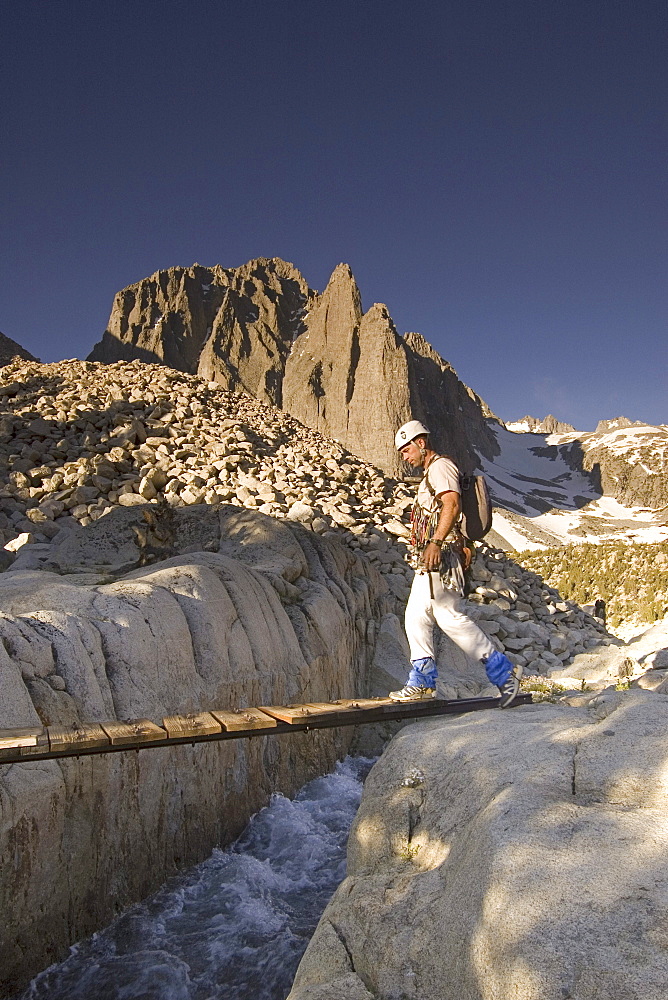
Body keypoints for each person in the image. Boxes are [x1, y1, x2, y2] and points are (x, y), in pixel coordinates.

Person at [389, 420, 521, 707]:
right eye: (401, 452)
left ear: (421, 443)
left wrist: (435, 542)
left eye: (407, 448)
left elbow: (452, 504)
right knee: (415, 616)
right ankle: (423, 680)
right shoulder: (430, 471)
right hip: (433, 558)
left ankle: (504, 674)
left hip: (444, 556)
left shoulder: (440, 467)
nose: (404, 456)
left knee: (448, 616)